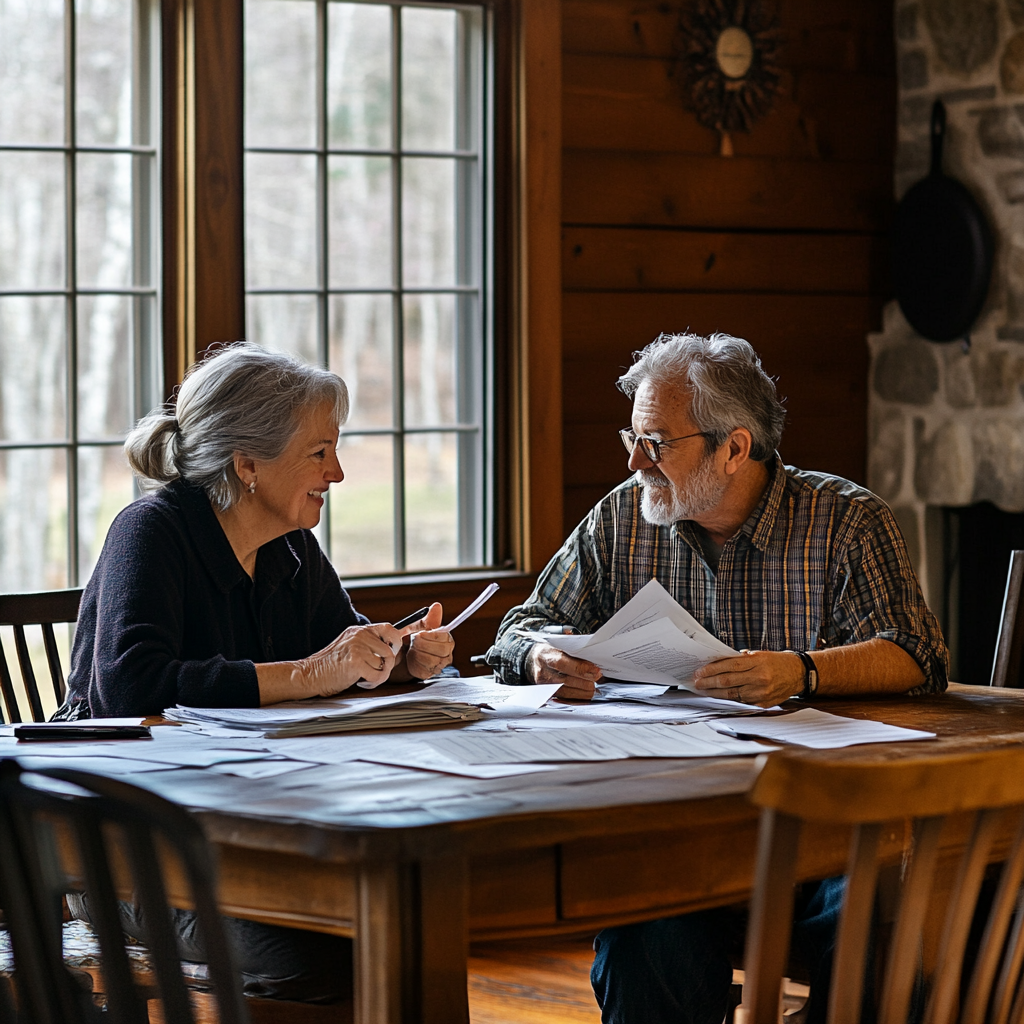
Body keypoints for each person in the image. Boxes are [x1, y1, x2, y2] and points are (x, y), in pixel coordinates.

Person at [485, 331, 948, 1024]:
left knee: (875, 929)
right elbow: (518, 627)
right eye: (632, 438)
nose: (637, 462)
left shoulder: (846, 520)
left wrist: (801, 672)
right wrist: (538, 657)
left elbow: (918, 655)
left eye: (658, 443)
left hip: (829, 831)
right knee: (641, 937)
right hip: (690, 835)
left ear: (733, 448)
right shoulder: (622, 518)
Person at [56, 341, 455, 1003]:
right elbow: (131, 689)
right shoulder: (150, 533)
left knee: (397, 929)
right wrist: (309, 673)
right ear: (247, 464)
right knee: (336, 954)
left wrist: (401, 661)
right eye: (319, 453)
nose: (339, 474)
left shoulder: (291, 546)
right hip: (131, 857)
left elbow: (341, 655)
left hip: (247, 839)